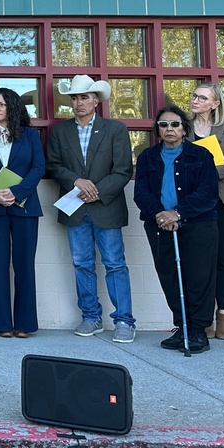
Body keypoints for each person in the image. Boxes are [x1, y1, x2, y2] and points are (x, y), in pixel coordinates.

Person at [46, 74, 136, 343]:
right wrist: (77, 182)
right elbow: (52, 165)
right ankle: (91, 317)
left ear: (96, 100)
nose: (78, 102)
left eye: (84, 97)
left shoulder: (115, 129)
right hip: (75, 209)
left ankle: (124, 321)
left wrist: (95, 191)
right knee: (81, 264)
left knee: (115, 264)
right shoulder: (60, 131)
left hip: (106, 207)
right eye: (74, 98)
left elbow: (123, 170)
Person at [134, 105, 219, 353]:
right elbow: (141, 193)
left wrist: (178, 213)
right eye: (163, 125)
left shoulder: (201, 155)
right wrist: (161, 215)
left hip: (197, 224)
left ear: (184, 129)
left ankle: (198, 331)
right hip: (159, 225)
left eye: (175, 124)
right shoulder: (147, 157)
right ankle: (182, 327)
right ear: (157, 130)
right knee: (170, 276)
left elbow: (208, 192)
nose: (169, 129)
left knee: (198, 278)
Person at [0, 88, 45, 338]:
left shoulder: (31, 136)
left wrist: (16, 192)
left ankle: (24, 324)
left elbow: (38, 167)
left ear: (12, 106)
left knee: (24, 265)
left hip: (24, 207)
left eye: (1, 104)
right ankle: (2, 323)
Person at [187, 82, 224, 339]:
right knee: (198, 260)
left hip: (221, 200)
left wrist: (209, 174)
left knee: (221, 258)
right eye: (194, 96)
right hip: (191, 201)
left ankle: (223, 313)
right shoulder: (183, 126)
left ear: (215, 103)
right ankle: (203, 315)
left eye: (202, 97)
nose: (196, 100)